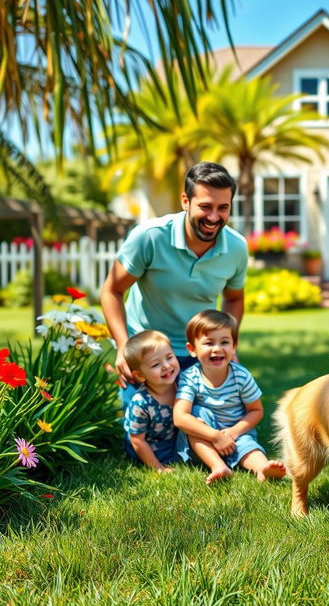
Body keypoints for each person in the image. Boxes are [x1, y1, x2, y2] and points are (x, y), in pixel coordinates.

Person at [100, 162, 248, 409]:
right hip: (148, 353)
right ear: (185, 201)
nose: (214, 217)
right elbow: (112, 291)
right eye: (205, 207)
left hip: (201, 352)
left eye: (223, 208)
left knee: (209, 437)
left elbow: (234, 298)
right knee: (144, 440)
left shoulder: (236, 247)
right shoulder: (150, 237)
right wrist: (124, 346)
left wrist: (227, 344)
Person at [173, 309, 286, 484]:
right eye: (208, 343)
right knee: (196, 416)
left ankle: (262, 468)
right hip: (204, 440)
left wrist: (233, 432)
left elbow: (256, 410)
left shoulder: (241, 376)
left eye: (224, 342)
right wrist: (214, 436)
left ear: (234, 346)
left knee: (249, 447)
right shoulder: (190, 377)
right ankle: (218, 466)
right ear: (192, 349)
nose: (217, 349)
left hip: (235, 434)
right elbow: (180, 418)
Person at [122, 330, 180, 472]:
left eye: (169, 357)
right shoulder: (141, 403)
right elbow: (137, 440)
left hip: (175, 439)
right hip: (151, 447)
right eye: (155, 365)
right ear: (140, 376)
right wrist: (158, 468)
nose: (166, 366)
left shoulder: (183, 383)